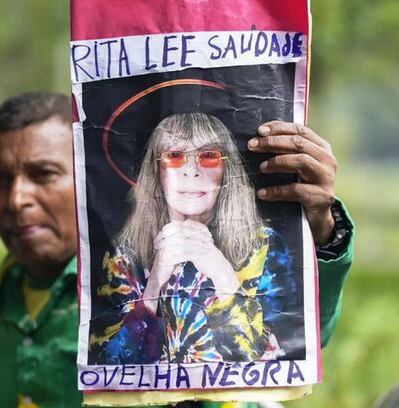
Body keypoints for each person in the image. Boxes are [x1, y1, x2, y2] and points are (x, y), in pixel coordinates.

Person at [0, 92, 354, 408]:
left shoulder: (217, 264)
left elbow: (292, 339)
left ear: (88, 180)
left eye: (43, 174)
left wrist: (318, 226)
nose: (16, 198)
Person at [89, 113, 292, 365]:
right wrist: (153, 287)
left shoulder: (264, 245)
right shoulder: (125, 252)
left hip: (227, 404)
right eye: (174, 157)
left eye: (208, 156)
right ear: (156, 172)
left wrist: (222, 275)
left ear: (226, 171)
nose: (191, 172)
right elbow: (107, 364)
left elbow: (276, 358)